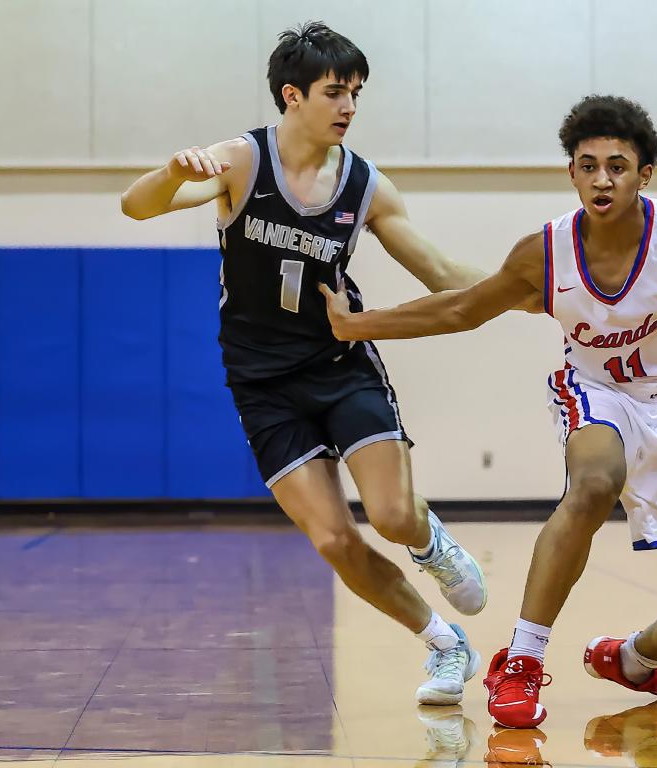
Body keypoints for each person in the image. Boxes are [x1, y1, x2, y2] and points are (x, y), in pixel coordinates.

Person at [320, 95, 657, 727]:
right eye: (588, 165)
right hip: (595, 394)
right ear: (571, 172)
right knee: (594, 484)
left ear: (645, 174)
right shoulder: (544, 250)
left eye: (617, 165)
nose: (602, 179)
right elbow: (460, 309)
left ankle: (633, 659)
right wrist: (357, 325)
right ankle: (520, 661)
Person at [120, 21, 497, 705]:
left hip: (338, 362)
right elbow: (136, 206)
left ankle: (430, 542)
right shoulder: (240, 161)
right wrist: (173, 170)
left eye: (356, 92)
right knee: (333, 540)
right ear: (291, 95)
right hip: (261, 380)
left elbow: (441, 271)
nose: (349, 105)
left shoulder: (365, 187)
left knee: (390, 516)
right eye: (335, 91)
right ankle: (445, 644)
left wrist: (536, 290)